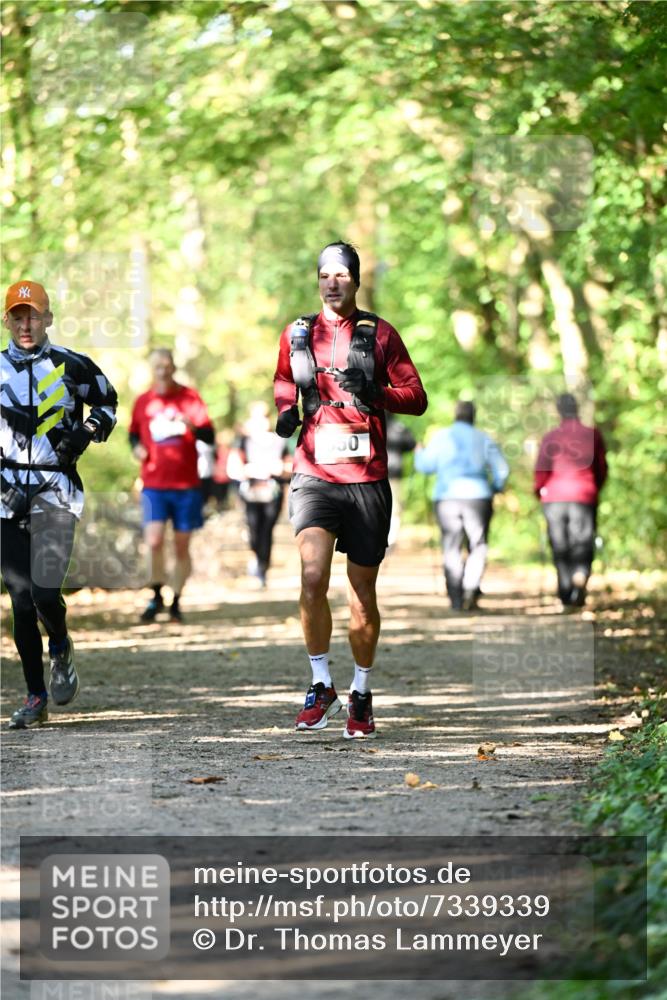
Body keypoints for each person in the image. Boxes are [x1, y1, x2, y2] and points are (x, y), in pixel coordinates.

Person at [274, 241, 427, 739]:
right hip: (315, 474)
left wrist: (375, 393)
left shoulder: (381, 334)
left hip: (367, 481)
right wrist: (284, 410)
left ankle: (361, 692)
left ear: (355, 281)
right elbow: (282, 380)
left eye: (341, 274)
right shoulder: (297, 334)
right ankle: (321, 684)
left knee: (362, 594)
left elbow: (417, 398)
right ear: (317, 280)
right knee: (313, 576)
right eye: (324, 274)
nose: (332, 282)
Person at [1, 280, 118, 729]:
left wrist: (86, 432)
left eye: (34, 315)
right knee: (21, 598)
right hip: (5, 494)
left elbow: (107, 402)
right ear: (7, 321)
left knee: (46, 591)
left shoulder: (71, 365)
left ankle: (62, 644)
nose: (26, 323)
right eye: (18, 315)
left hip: (54, 490)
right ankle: (35, 696)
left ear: (48, 318)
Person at [129, 349, 214, 623]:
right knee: (153, 541)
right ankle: (155, 596)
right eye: (157, 367)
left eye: (166, 366)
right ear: (151, 369)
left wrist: (192, 427)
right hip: (154, 484)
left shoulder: (190, 398)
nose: (162, 371)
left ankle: (176, 599)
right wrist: (137, 449)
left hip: (186, 485)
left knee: (181, 547)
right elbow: (132, 435)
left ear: (174, 367)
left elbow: (210, 436)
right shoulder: (143, 401)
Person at [414, 400, 509, 611]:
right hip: (478, 496)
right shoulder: (484, 438)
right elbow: (502, 469)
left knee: (451, 546)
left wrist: (419, 452)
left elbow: (425, 467)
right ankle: (471, 587)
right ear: (474, 416)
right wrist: (495, 487)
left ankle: (456, 597)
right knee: (478, 544)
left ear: (455, 415)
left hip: (447, 497)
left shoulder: (442, 437)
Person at [534, 393, 607, 609]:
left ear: (558, 411)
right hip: (584, 495)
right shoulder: (592, 435)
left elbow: (541, 468)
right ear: (577, 409)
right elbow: (601, 468)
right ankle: (580, 576)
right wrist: (595, 488)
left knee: (560, 544)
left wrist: (539, 490)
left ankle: (566, 593)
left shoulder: (551, 436)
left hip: (554, 497)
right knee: (582, 541)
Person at [227, 401, 291, 588]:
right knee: (254, 530)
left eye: (264, 417)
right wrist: (247, 470)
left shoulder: (279, 440)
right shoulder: (243, 442)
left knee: (267, 530)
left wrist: (279, 469)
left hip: (273, 493)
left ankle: (263, 567)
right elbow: (233, 468)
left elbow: (289, 467)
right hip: (250, 493)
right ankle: (257, 558)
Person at [385, 413, 417, 547]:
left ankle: (385, 539)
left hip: (372, 474)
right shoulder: (399, 428)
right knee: (394, 508)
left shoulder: (368, 422)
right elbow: (412, 445)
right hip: (393, 475)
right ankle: (390, 540)